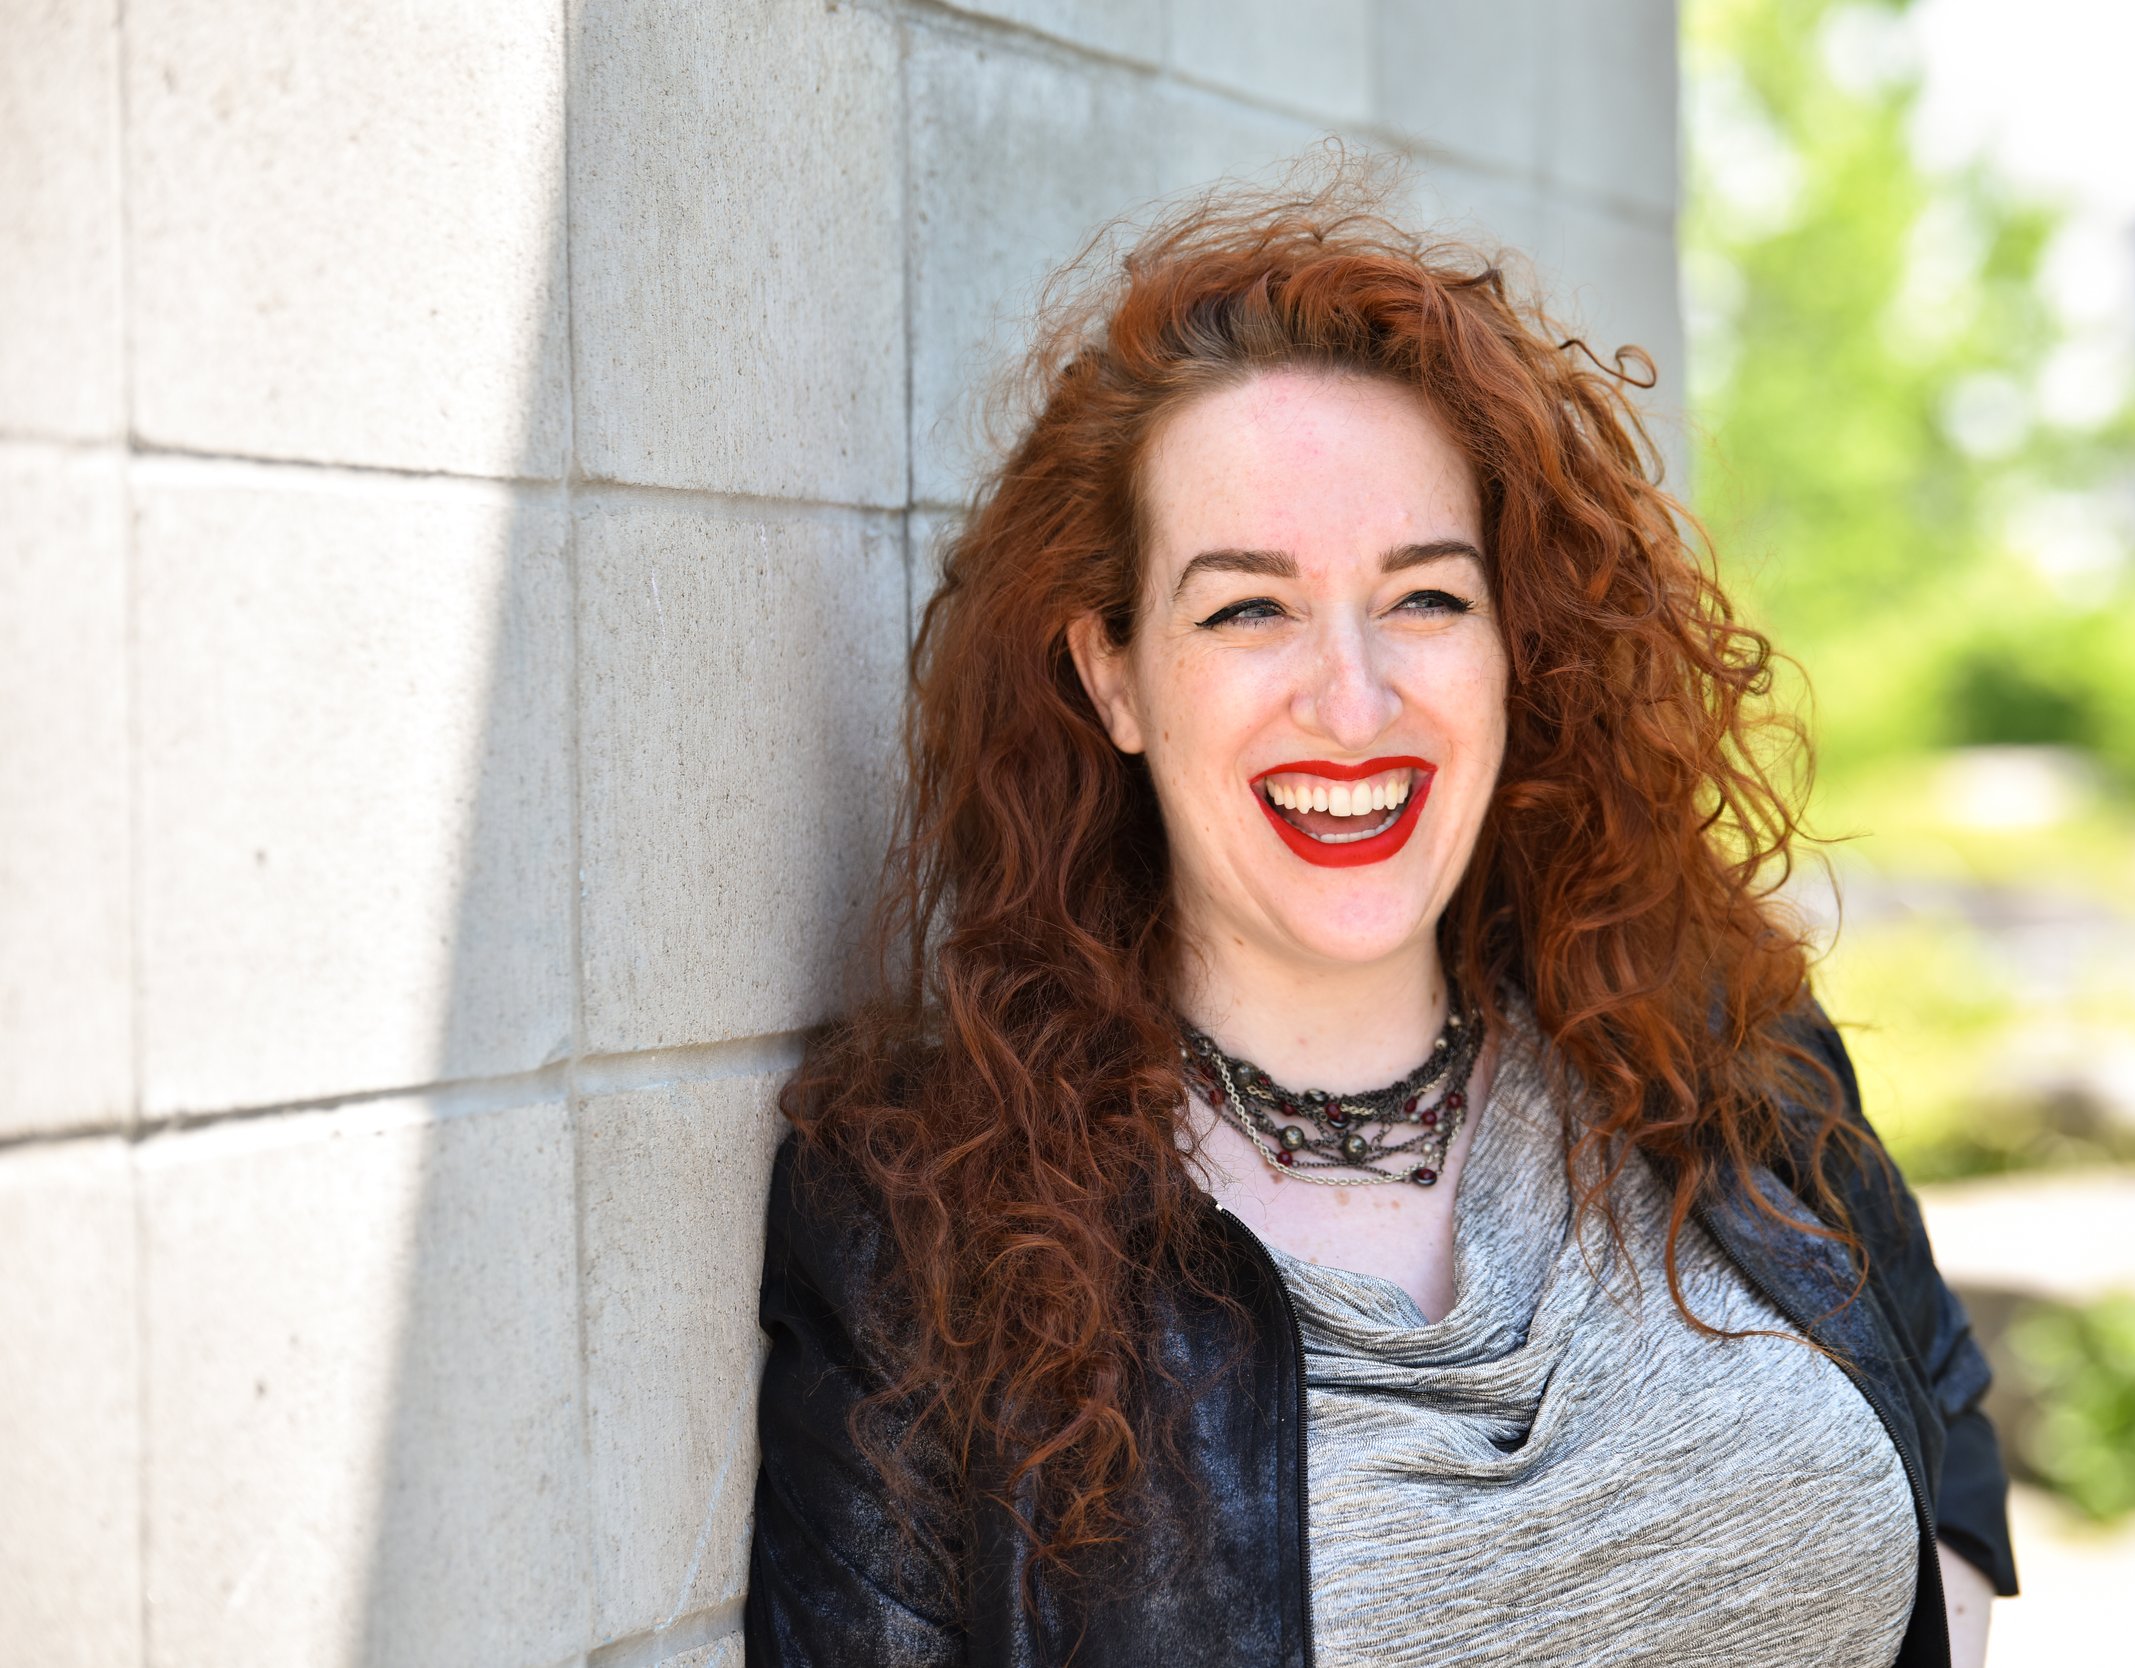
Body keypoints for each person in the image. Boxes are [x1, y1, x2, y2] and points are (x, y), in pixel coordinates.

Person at [743, 175, 2017, 1668]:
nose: (1353, 704)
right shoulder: (925, 1222)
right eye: (1245, 611)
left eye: (1424, 599)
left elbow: (1943, 1419)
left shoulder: (1712, 1034)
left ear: (1509, 647)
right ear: (1115, 679)